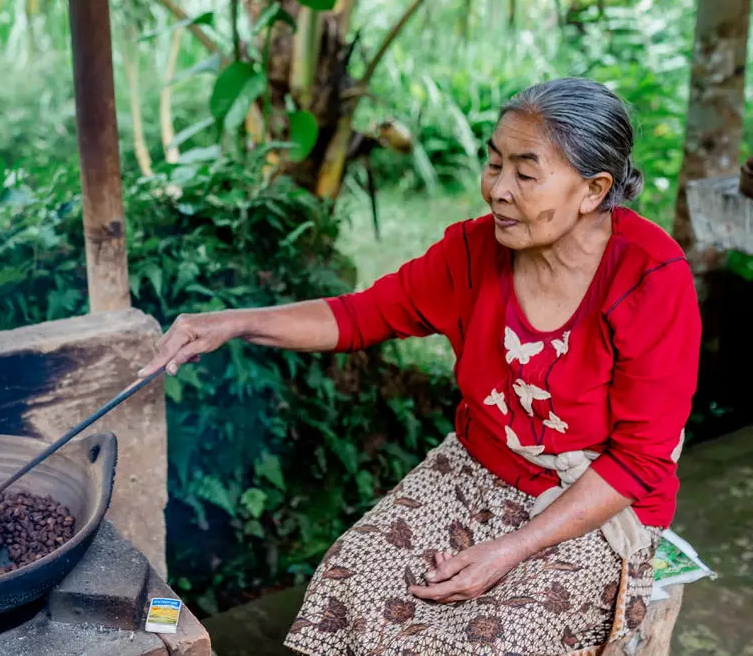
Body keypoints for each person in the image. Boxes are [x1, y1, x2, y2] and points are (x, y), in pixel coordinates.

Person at [138, 77, 701, 655]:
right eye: (493, 164)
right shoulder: (473, 250)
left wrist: (510, 550)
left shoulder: (649, 278)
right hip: (476, 468)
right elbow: (361, 316)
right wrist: (236, 323)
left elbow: (640, 459)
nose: (498, 190)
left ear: (593, 189)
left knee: (491, 639)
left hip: (590, 498)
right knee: (351, 576)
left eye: (525, 174)